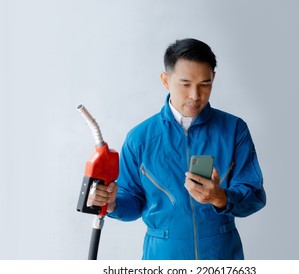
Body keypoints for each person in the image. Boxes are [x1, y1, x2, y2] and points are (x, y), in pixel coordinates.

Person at [88, 38, 266, 260]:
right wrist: (112, 203)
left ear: (214, 79)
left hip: (221, 255)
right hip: (163, 256)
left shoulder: (233, 130)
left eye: (205, 84)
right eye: (185, 84)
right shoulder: (140, 138)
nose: (195, 95)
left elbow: (254, 194)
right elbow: (131, 199)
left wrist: (220, 198)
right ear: (165, 80)